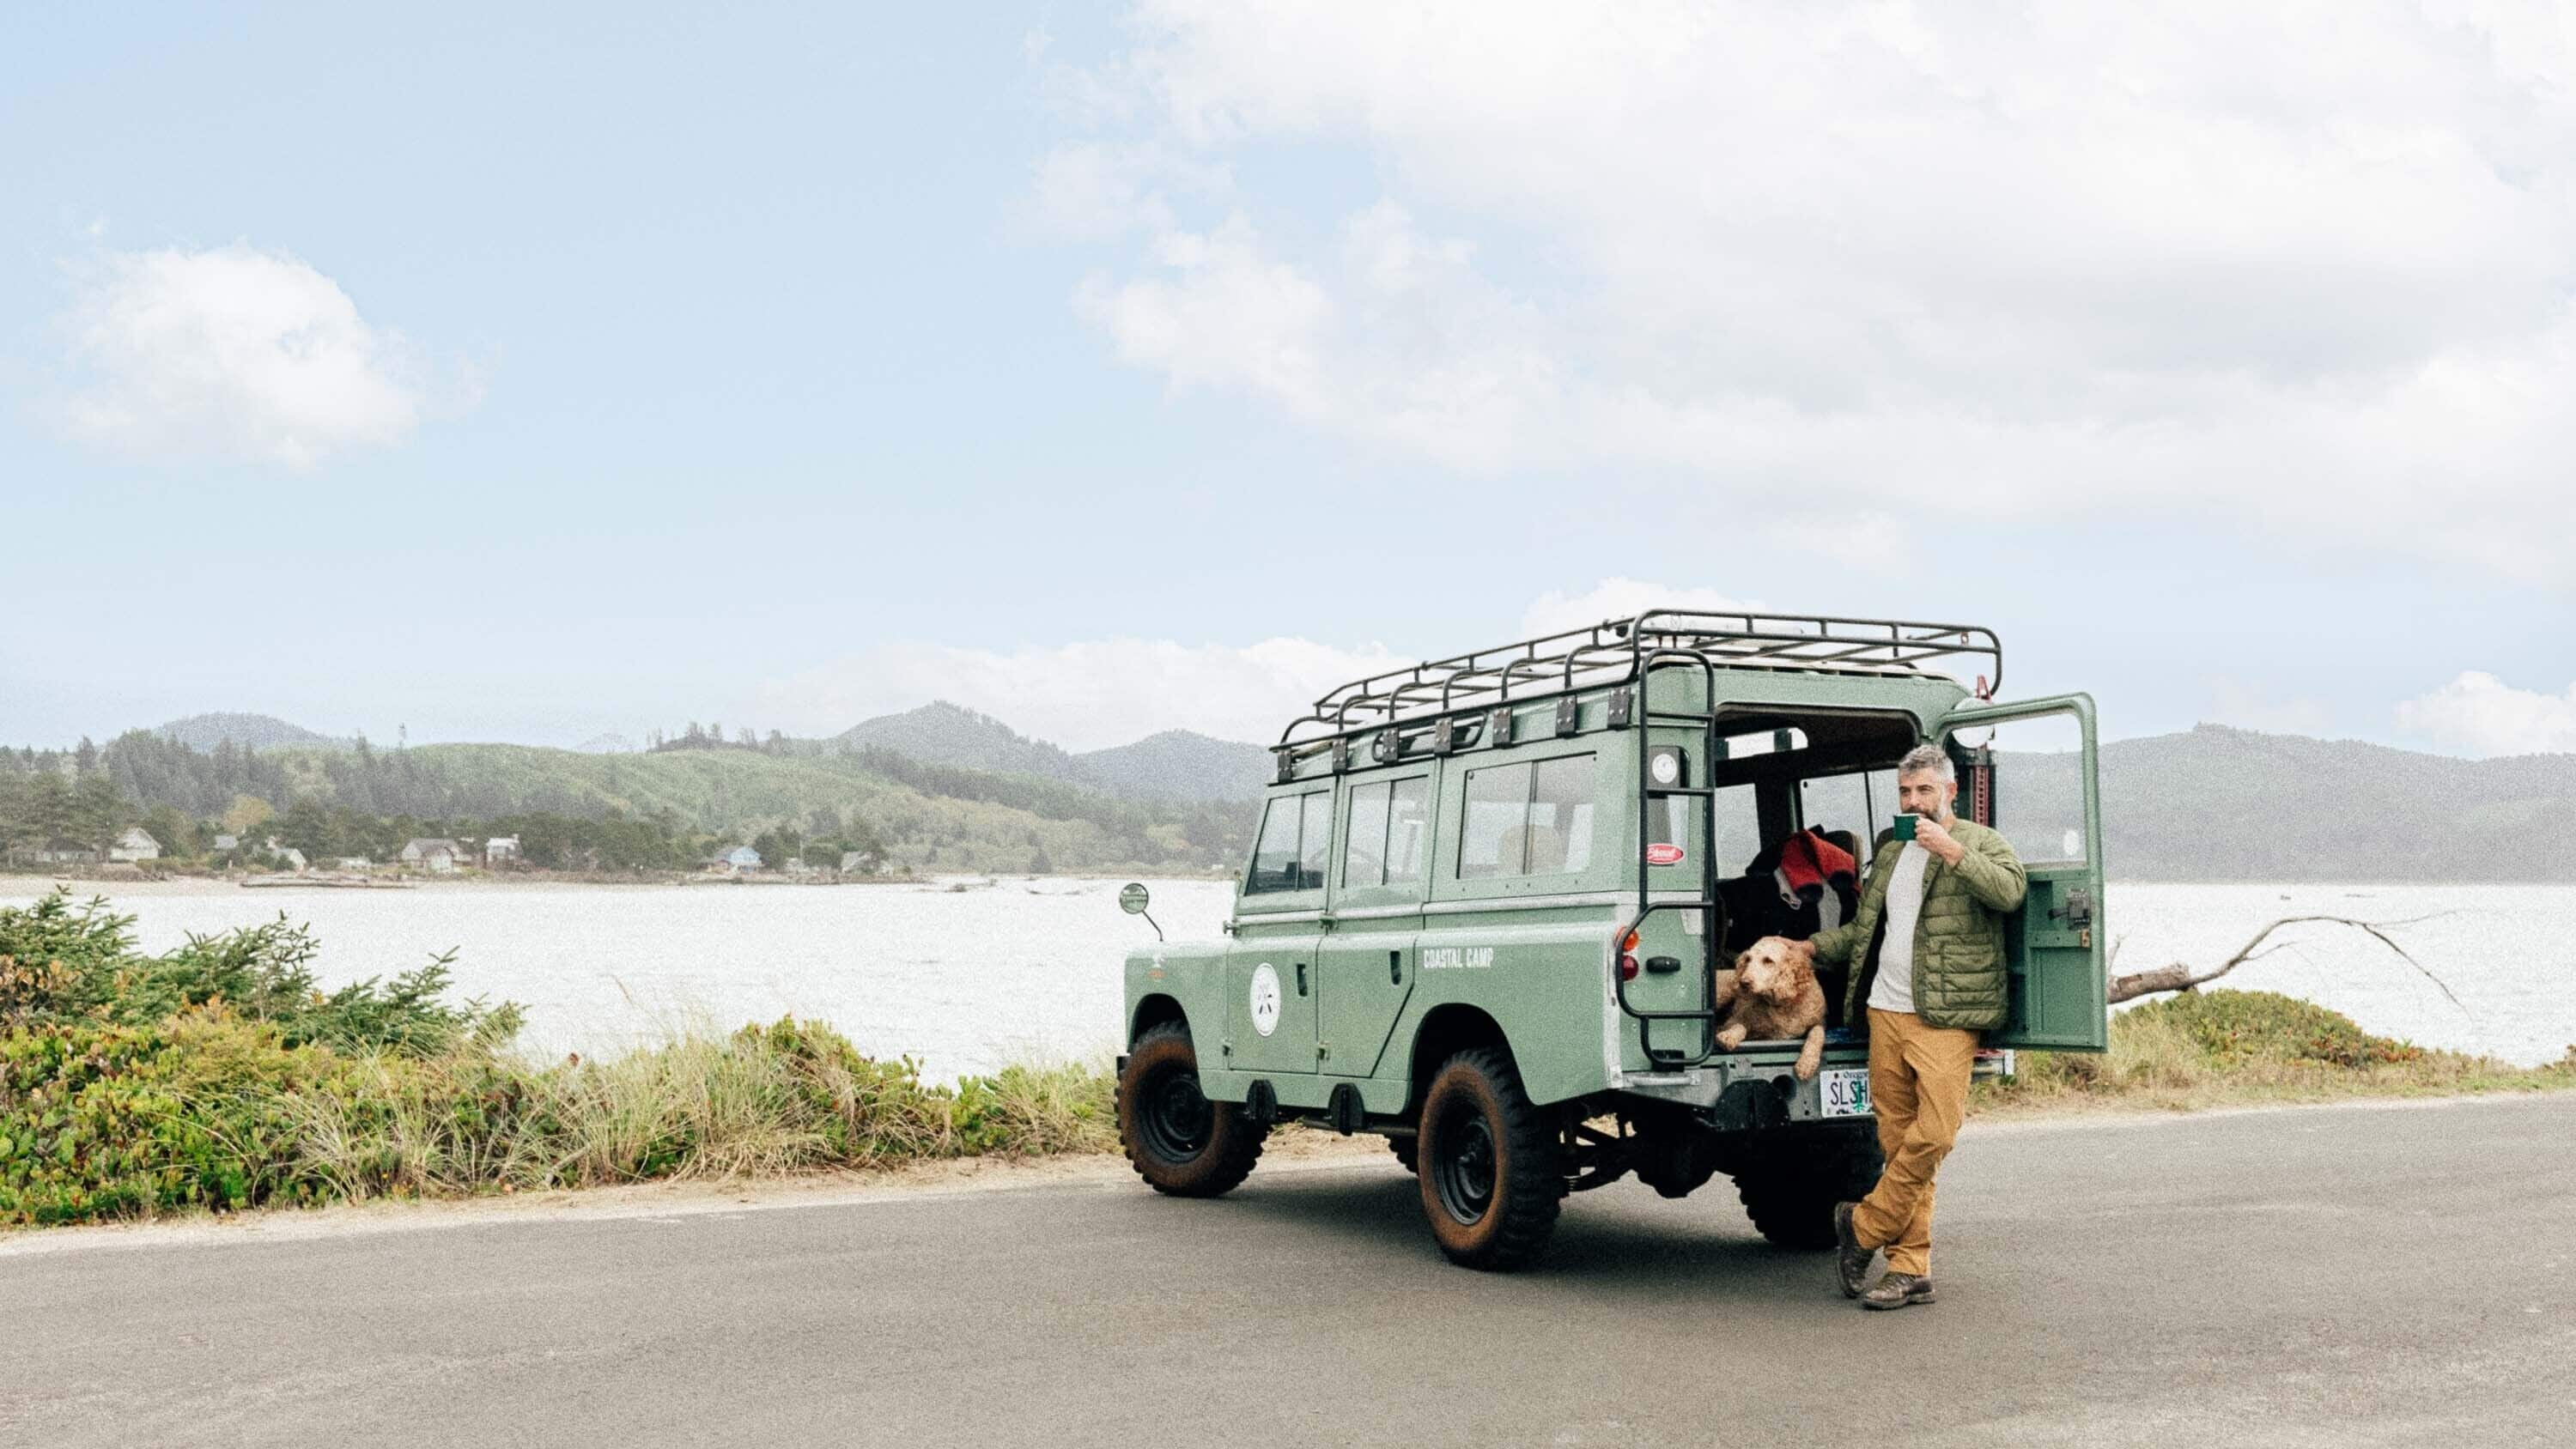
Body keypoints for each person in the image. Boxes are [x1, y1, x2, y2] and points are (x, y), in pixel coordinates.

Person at [1807, 742, 2026, 1310]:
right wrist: (1808, 947)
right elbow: (1862, 932)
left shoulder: (1981, 842)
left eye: (1925, 790)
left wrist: (1950, 850)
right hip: (1885, 1011)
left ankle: (1862, 1226)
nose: (1914, 801)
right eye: (1905, 791)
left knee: (1935, 1136)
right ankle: (1909, 1270)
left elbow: (2010, 893)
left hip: (1946, 1017)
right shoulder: (1891, 853)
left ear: (1950, 791)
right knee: (1899, 1142)